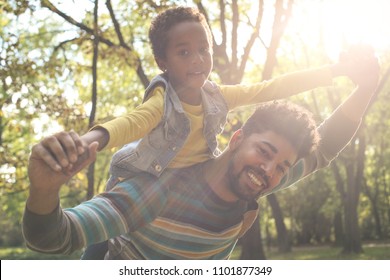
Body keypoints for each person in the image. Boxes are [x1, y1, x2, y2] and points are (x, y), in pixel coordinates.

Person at [22, 51, 379, 259]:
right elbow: (52, 236)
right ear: (237, 138)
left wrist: (368, 85)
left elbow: (327, 146)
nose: (270, 171)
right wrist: (44, 190)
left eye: (281, 166)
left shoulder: (254, 181)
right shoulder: (159, 190)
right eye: (264, 152)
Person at [49, 6, 364, 189]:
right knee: (108, 229)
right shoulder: (161, 101)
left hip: (192, 179)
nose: (198, 60)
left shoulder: (218, 97)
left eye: (203, 50)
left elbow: (273, 87)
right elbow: (130, 122)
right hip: (141, 177)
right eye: (184, 52)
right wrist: (88, 140)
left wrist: (335, 70)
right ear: (163, 62)